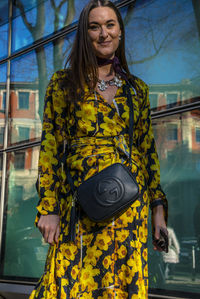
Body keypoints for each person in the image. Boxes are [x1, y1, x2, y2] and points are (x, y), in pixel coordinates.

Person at [29, 0, 168, 298]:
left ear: (120, 32)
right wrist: (48, 208)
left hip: (129, 209)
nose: (103, 33)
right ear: (85, 34)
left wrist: (158, 209)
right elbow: (51, 148)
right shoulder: (63, 84)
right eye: (94, 26)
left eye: (110, 25)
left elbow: (147, 151)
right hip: (80, 206)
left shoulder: (137, 90)